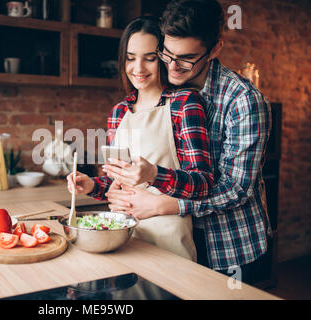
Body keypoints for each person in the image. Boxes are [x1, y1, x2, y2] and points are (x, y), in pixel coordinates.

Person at [105, 0, 272, 285]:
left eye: (186, 58)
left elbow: (236, 190)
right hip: (176, 244)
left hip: (229, 246)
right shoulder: (166, 93)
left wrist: (162, 205)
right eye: (167, 53)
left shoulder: (243, 101)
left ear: (214, 50)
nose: (173, 65)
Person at [67, 16, 214, 261]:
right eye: (131, 58)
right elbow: (118, 185)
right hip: (122, 236)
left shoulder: (184, 103)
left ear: (164, 58)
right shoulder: (119, 112)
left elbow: (203, 182)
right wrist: (92, 185)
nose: (139, 68)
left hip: (167, 240)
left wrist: (154, 174)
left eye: (150, 58)